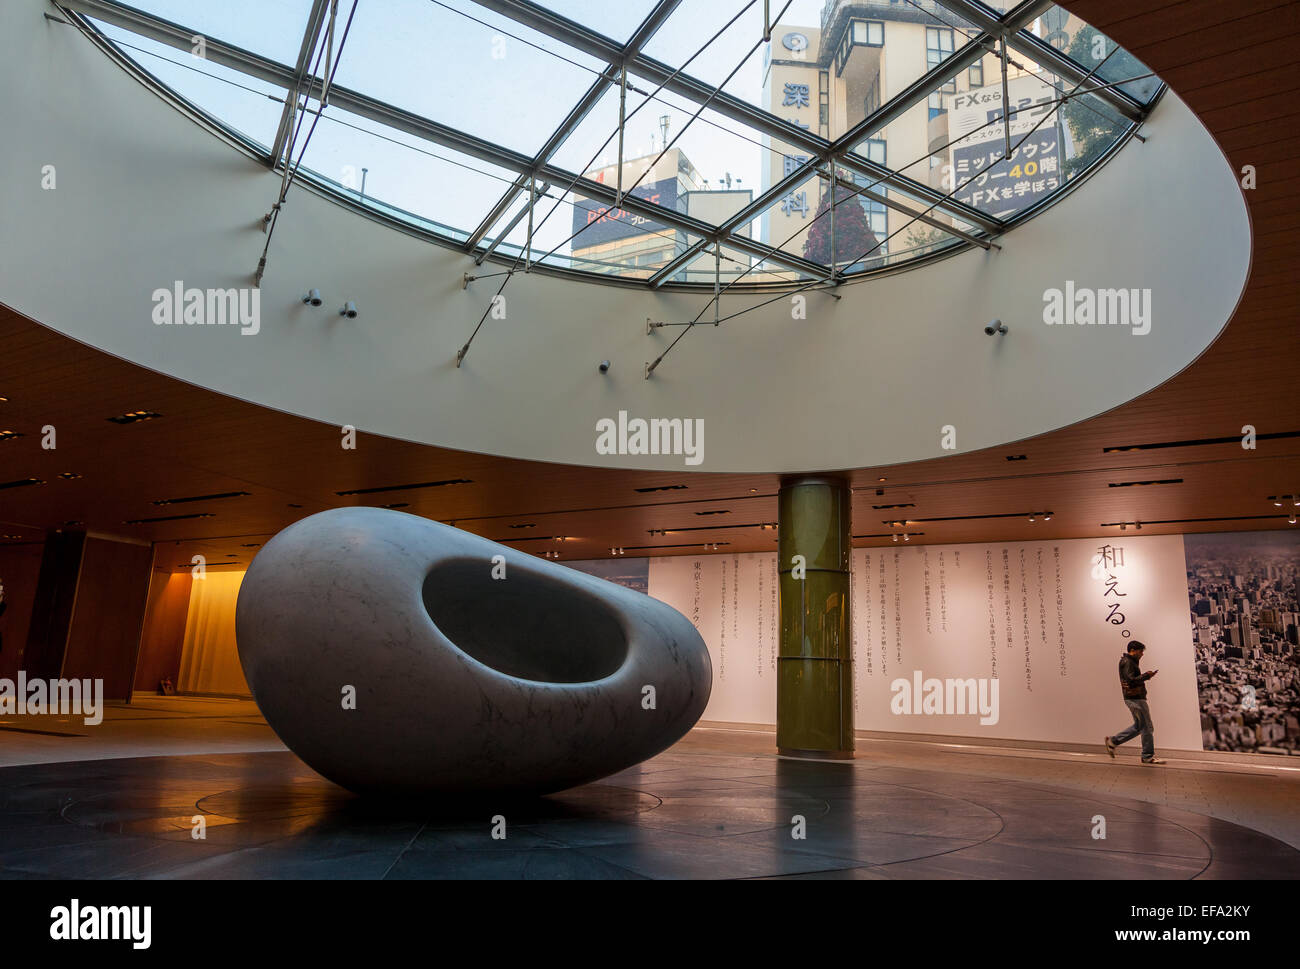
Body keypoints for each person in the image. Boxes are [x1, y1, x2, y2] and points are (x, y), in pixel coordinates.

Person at [1104, 640, 1165, 765]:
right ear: (1133, 650)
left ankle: (1113, 741)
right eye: (1141, 651)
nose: (1142, 654)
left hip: (1134, 698)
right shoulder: (1128, 662)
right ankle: (1147, 756)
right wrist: (1146, 676)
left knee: (1139, 726)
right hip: (1135, 699)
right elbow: (1131, 680)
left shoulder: (1129, 662)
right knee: (1147, 727)